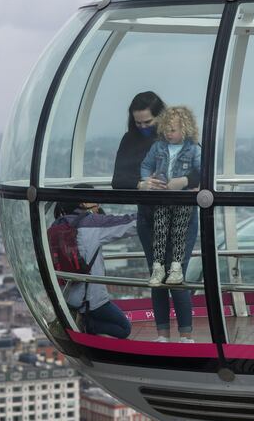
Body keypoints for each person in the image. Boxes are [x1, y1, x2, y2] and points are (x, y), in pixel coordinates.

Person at [111, 92, 198, 343]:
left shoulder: (181, 137)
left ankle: (186, 336)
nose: (143, 128)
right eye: (138, 123)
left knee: (176, 272)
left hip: (180, 216)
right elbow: (118, 180)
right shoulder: (131, 139)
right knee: (156, 274)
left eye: (148, 123)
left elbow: (201, 172)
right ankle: (162, 335)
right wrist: (141, 184)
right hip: (149, 216)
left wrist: (182, 181)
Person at [53, 198, 135, 339]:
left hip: (68, 297)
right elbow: (130, 224)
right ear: (84, 203)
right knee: (124, 328)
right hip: (92, 301)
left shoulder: (56, 226)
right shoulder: (91, 224)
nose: (99, 204)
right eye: (95, 200)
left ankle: (88, 324)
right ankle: (87, 325)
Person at [140, 106, 201, 286]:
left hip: (183, 200)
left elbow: (202, 170)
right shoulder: (158, 147)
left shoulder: (193, 149)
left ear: (185, 129)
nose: (168, 134)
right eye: (166, 129)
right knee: (160, 231)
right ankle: (158, 268)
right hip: (162, 197)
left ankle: (176, 268)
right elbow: (146, 165)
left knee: (179, 233)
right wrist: (147, 180)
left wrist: (185, 181)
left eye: (173, 130)